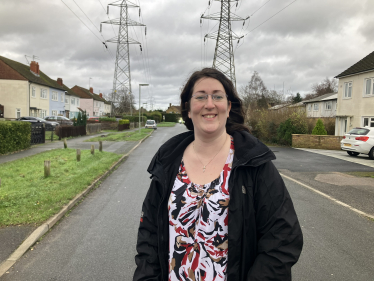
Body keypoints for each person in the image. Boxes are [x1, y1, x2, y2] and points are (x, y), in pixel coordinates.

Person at [133, 68, 303, 281]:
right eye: (201, 96)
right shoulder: (168, 162)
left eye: (218, 96)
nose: (209, 104)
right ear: (187, 108)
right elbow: (149, 235)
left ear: (229, 106)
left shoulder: (253, 163)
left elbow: (284, 238)